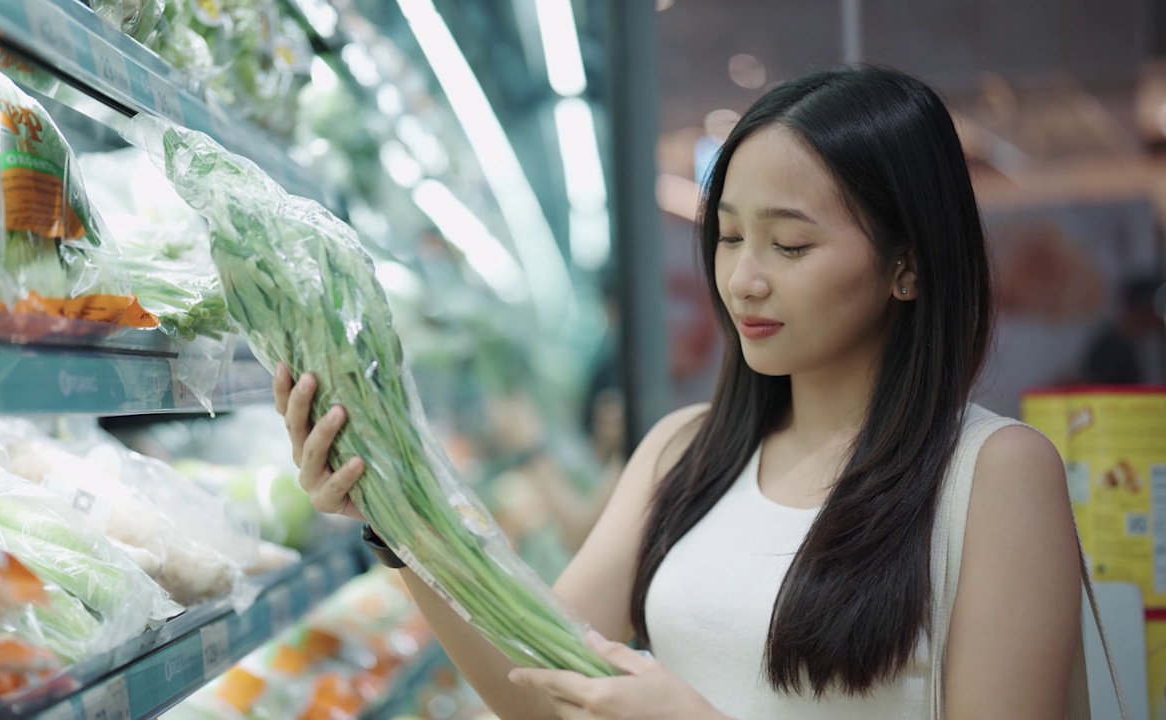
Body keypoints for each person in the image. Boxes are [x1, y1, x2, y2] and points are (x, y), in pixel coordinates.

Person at [274, 66, 1086, 719]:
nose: (743, 278)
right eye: (729, 236)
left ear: (907, 263)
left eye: (790, 245)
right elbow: (542, 691)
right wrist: (393, 511)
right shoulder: (684, 451)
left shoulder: (996, 473)